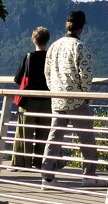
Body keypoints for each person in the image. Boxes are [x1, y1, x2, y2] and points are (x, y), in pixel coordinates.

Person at [40, 10, 101, 186]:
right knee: (86, 138)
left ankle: (47, 176)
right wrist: (85, 95)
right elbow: (86, 75)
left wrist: (54, 89)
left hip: (57, 97)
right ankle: (89, 175)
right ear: (82, 28)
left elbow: (47, 72)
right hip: (76, 98)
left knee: (55, 137)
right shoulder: (81, 47)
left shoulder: (54, 46)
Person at [11, 27, 51, 169]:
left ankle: (22, 163)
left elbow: (18, 78)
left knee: (23, 132)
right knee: (44, 132)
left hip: (29, 100)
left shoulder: (29, 57)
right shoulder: (51, 58)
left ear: (33, 40)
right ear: (48, 40)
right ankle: (42, 162)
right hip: (48, 100)